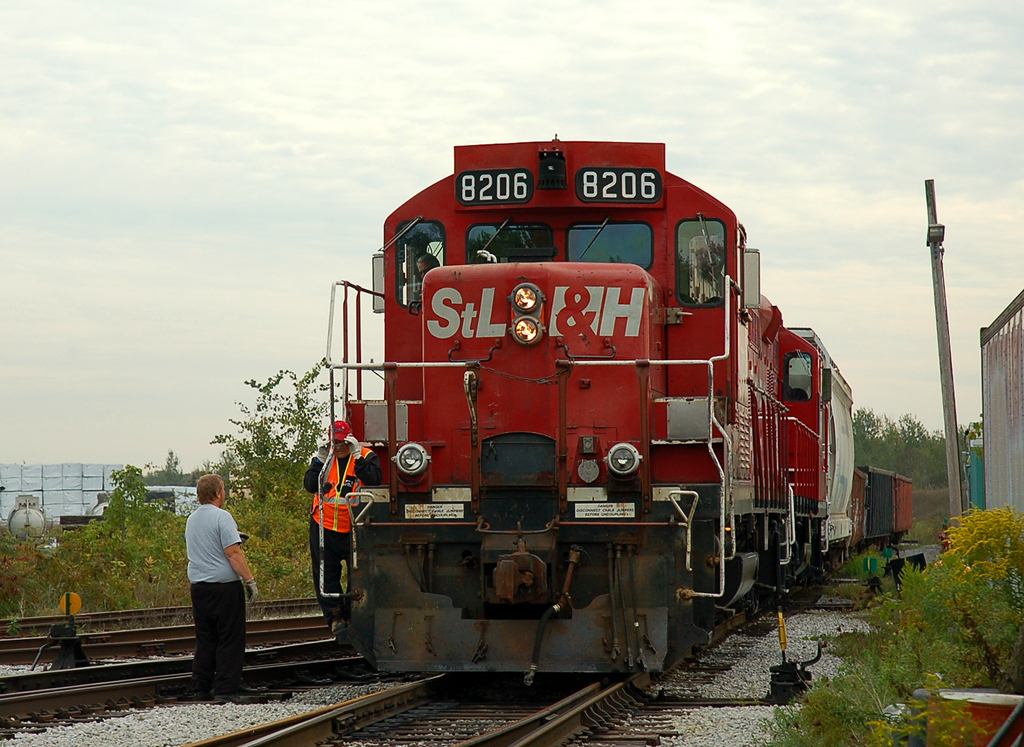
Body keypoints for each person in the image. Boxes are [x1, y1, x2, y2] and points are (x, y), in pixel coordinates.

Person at [304, 419, 382, 636]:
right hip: (324, 526)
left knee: (358, 575)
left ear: (350, 441)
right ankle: (337, 618)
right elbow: (310, 485)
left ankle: (355, 615)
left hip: (354, 529)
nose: (338, 448)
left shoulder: (365, 456)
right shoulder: (323, 460)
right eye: (334, 443)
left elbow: (375, 479)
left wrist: (356, 455)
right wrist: (319, 459)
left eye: (342, 443)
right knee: (325, 577)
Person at [184, 474, 258, 703]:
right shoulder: (222, 517)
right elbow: (233, 553)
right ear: (218, 493)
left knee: (206, 639)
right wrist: (249, 580)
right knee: (229, 638)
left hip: (199, 588)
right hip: (224, 588)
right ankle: (226, 689)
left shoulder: (191, 519)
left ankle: (201, 688)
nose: (224, 493)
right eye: (223, 489)